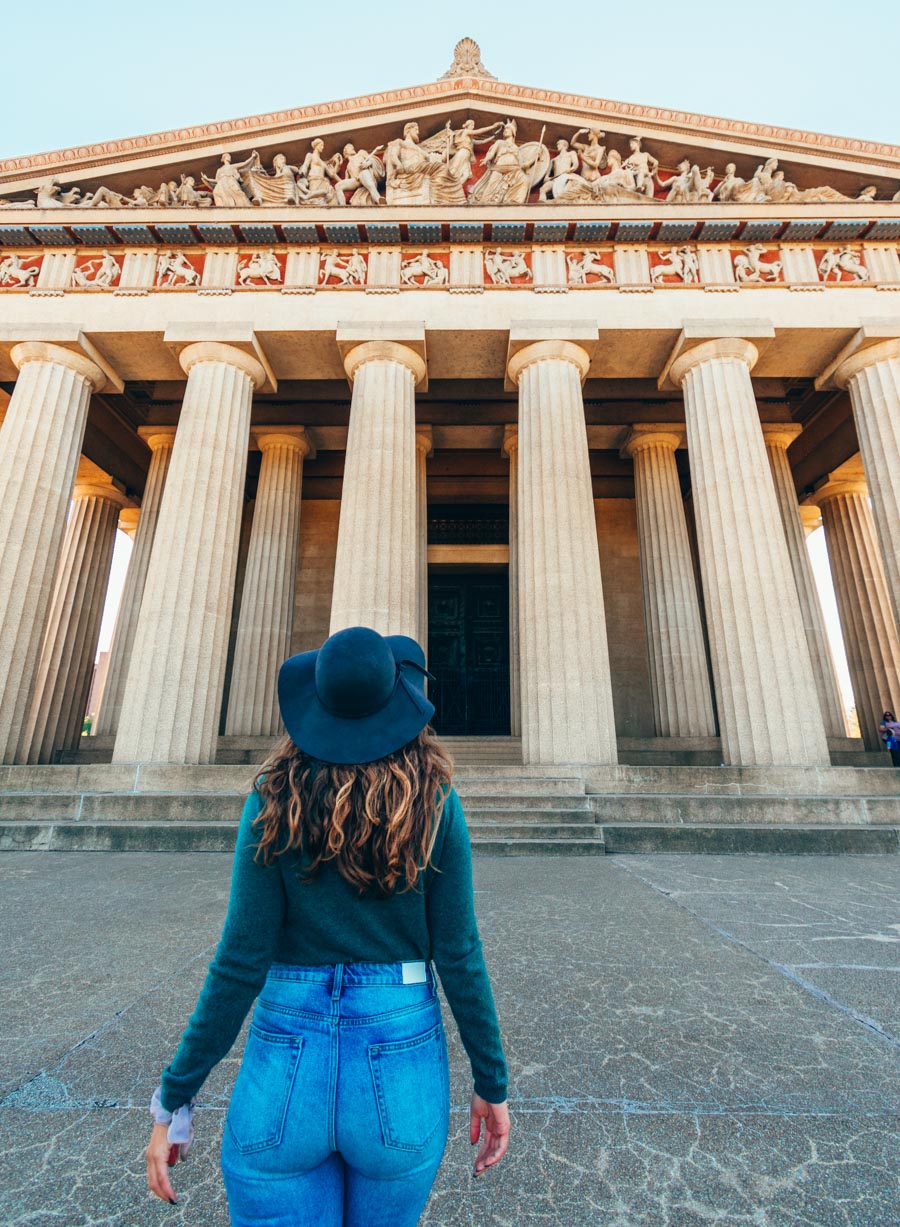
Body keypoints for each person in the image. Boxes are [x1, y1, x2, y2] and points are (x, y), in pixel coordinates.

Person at [146, 626, 510, 1225]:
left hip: (286, 1060)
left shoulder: (272, 796)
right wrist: (491, 1082)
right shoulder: (435, 799)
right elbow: (460, 951)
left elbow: (240, 960)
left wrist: (174, 1099)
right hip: (399, 1053)